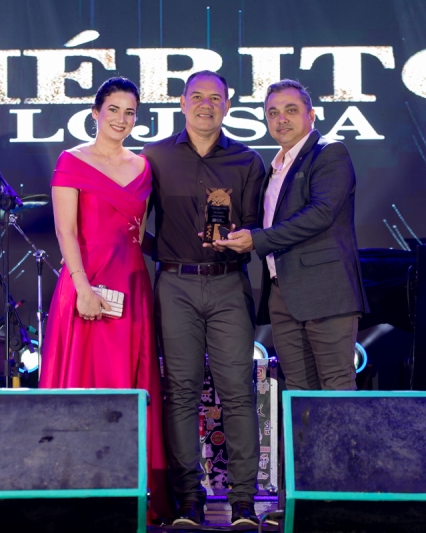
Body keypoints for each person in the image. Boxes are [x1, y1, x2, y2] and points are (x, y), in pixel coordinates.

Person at [39, 77, 171, 521]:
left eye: (129, 112)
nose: (121, 119)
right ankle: (75, 489)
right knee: (83, 382)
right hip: (86, 282)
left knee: (128, 383)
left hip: (131, 284)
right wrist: (82, 287)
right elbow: (66, 231)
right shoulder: (71, 161)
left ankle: (131, 491)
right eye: (113, 109)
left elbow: (138, 233)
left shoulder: (144, 167)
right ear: (95, 113)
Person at [141, 70, 266, 527]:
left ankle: (243, 501)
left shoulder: (248, 160)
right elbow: (134, 224)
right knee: (180, 394)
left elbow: (257, 226)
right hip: (174, 285)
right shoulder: (153, 157)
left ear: (227, 106)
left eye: (216, 98)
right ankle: (189, 500)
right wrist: (165, 250)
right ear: (182, 102)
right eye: (198, 96)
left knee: (238, 393)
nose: (206, 105)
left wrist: (237, 239)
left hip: (229, 282)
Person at [215, 79, 369, 391]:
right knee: (297, 389)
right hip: (282, 294)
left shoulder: (329, 153)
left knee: (336, 385)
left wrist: (257, 239)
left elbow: (321, 213)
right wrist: (232, 234)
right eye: (273, 113)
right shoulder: (275, 167)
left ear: (311, 115)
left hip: (325, 291)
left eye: (290, 110)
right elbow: (270, 222)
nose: (281, 119)